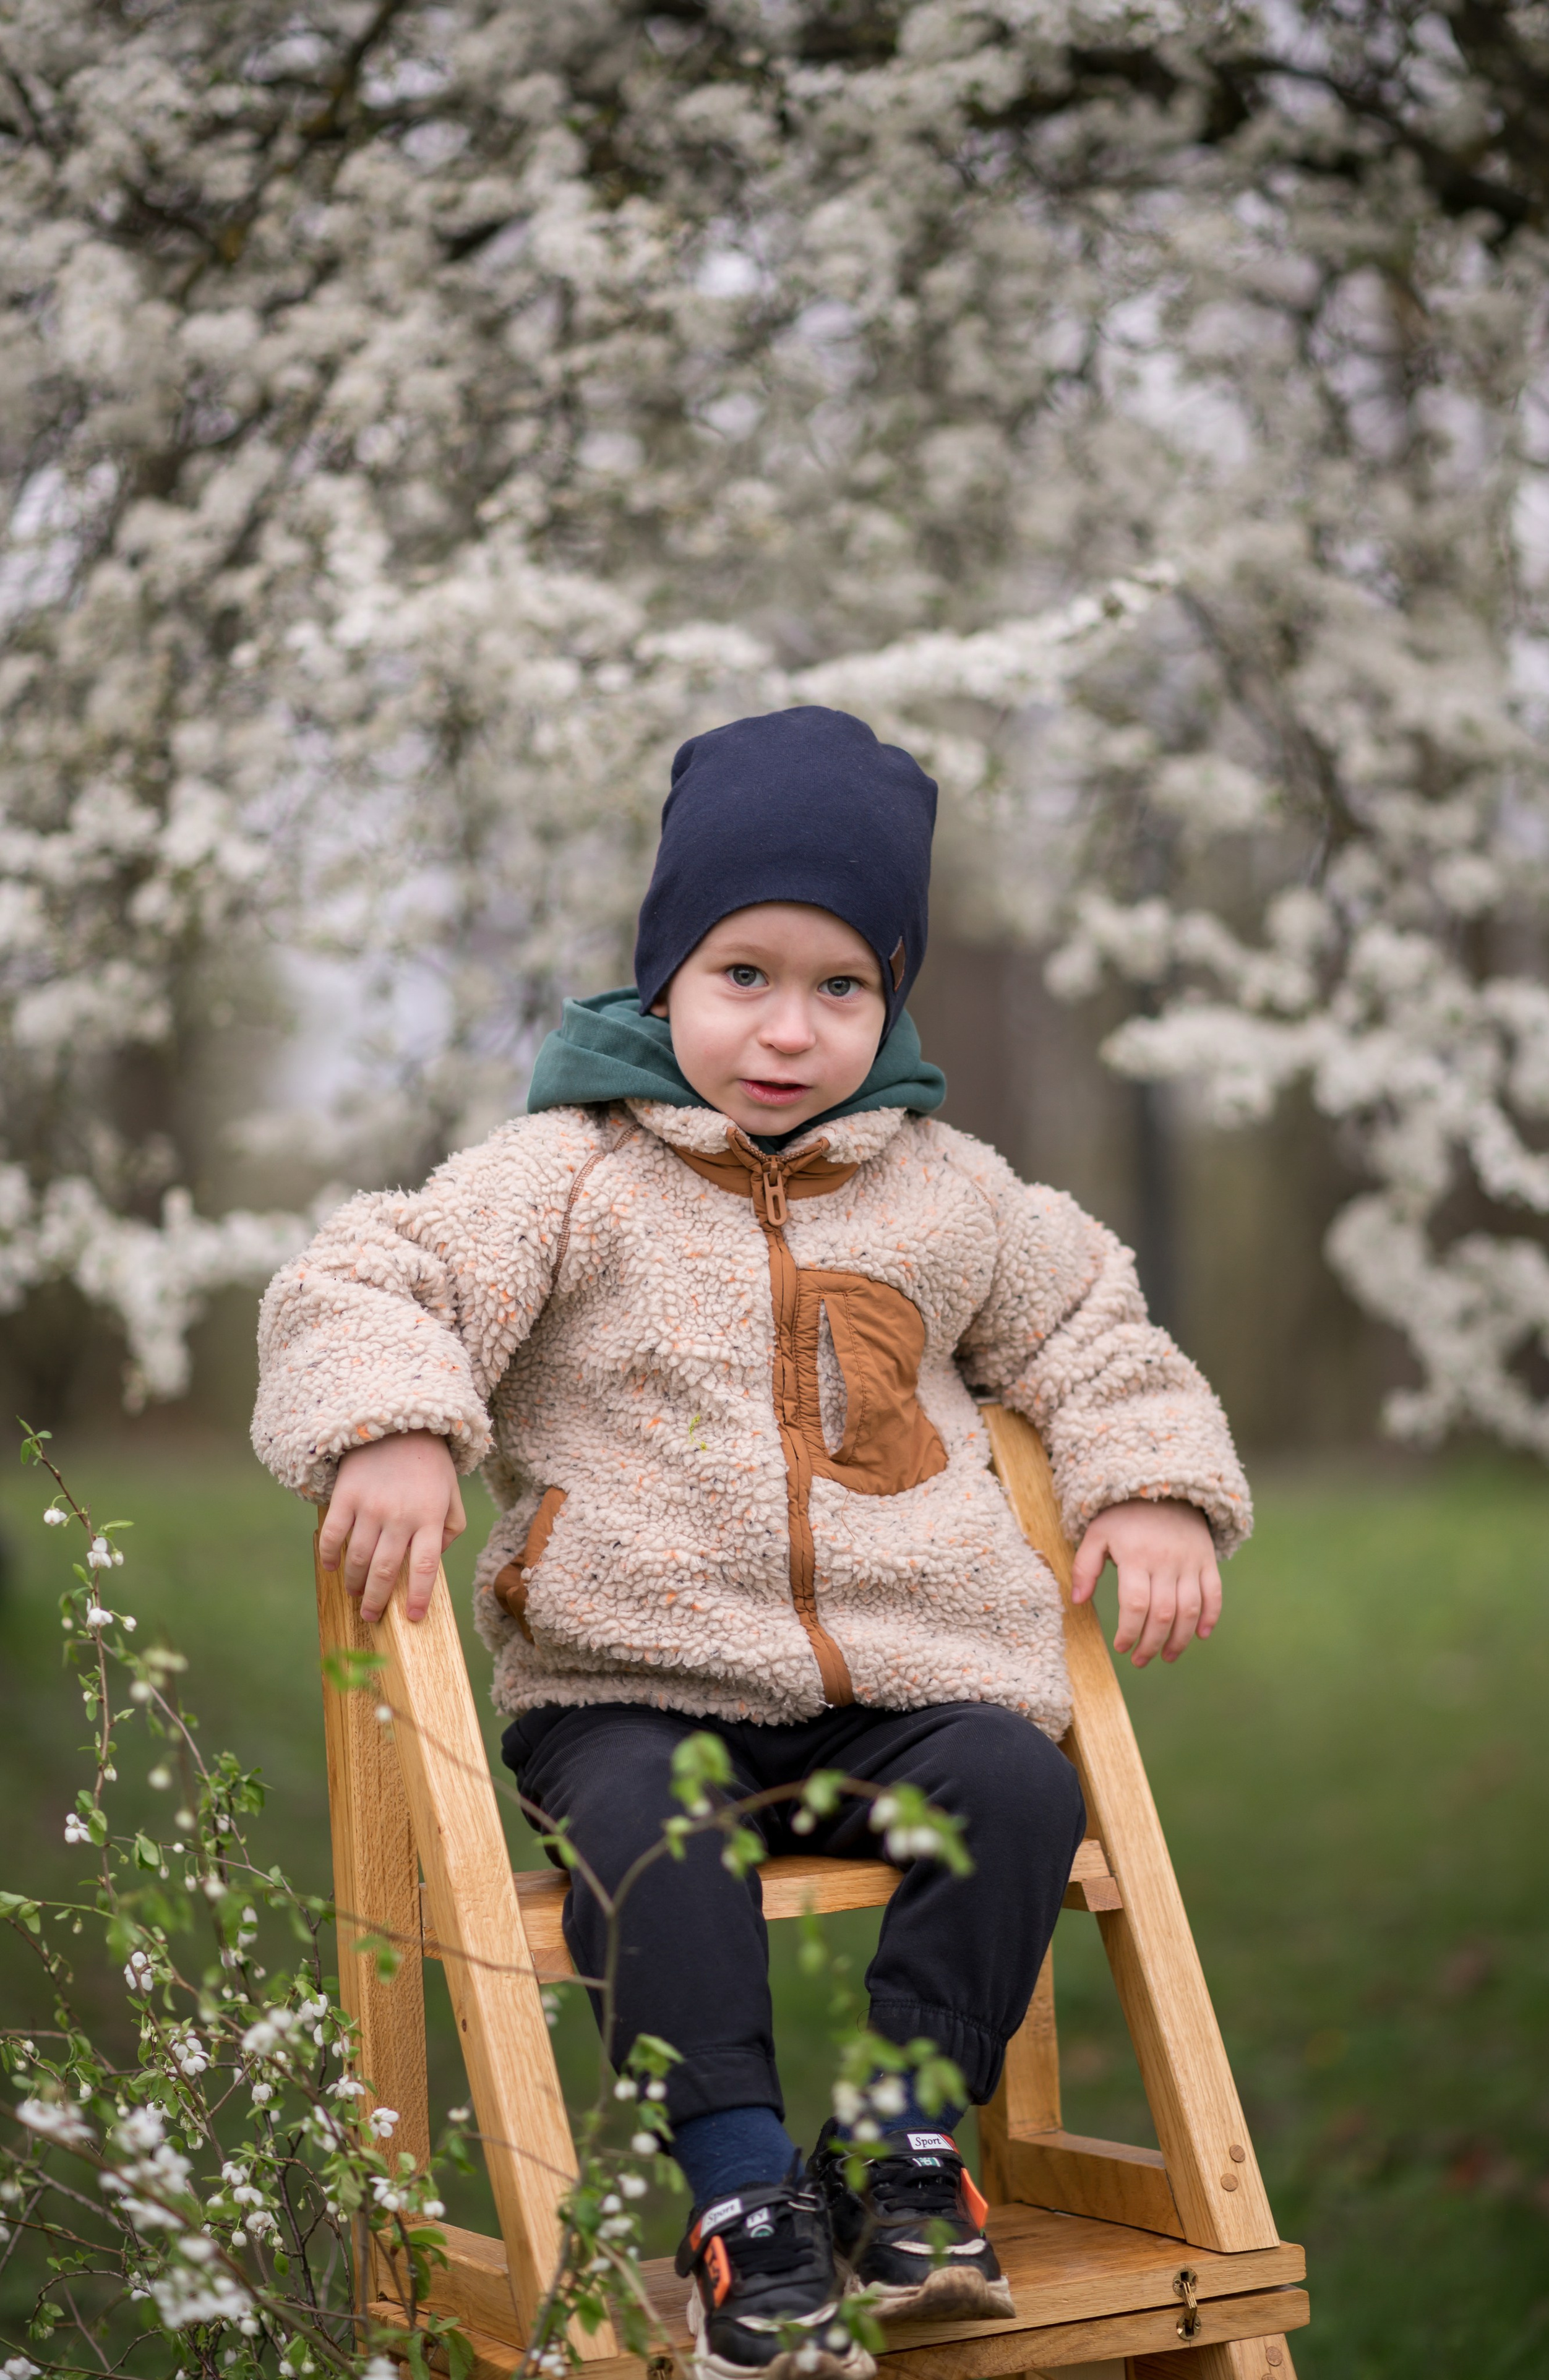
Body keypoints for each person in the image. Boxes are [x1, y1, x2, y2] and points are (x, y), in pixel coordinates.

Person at [253, 706, 1251, 2380]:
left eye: (841, 986)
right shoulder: (563, 1177)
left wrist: (1149, 1479)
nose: (787, 1030)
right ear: (664, 977)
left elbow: (1094, 1328)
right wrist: (400, 1420)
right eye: (743, 975)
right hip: (633, 1688)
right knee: (659, 1839)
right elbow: (364, 1279)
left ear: (896, 996)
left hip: (896, 1689)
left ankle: (907, 2145)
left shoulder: (952, 1195)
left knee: (1016, 1782)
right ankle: (742, 2202)